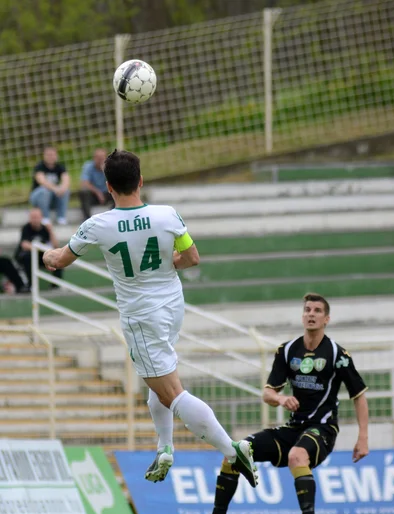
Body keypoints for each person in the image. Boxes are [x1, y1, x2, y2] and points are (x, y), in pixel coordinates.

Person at [42, 150, 257, 486]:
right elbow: (192, 257)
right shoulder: (167, 215)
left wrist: (47, 253)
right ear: (141, 181)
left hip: (141, 316)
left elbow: (60, 260)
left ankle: (232, 449)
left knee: (171, 391)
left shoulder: (97, 224)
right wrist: (165, 264)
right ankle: (165, 446)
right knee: (156, 380)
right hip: (172, 307)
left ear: (109, 187)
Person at [181, 293, 369, 514]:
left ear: (327, 319)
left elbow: (359, 395)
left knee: (297, 456)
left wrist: (363, 439)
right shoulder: (288, 350)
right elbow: (268, 393)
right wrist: (281, 399)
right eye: (307, 310)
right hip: (294, 428)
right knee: (236, 451)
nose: (311, 314)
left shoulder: (337, 354)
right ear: (303, 316)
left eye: (317, 310)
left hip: (323, 429)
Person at [15, 208, 63, 288]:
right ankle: (31, 285)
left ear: (41, 218)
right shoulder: (26, 228)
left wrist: (51, 230)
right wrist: (40, 248)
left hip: (41, 257)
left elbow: (55, 245)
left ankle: (56, 285)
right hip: (28, 257)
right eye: (33, 217)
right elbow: (24, 245)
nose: (35, 220)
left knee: (57, 257)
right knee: (28, 256)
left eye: (36, 217)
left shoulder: (45, 228)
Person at [29, 146, 70, 225]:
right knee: (44, 191)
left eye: (52, 155)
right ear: (44, 156)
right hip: (38, 197)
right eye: (48, 155)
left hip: (53, 197)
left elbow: (66, 179)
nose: (50, 157)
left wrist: (63, 188)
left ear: (56, 156)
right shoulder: (39, 166)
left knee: (65, 191)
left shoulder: (60, 167)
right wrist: (56, 189)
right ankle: (45, 218)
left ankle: (61, 217)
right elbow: (42, 181)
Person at [78, 148, 114, 220]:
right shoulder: (88, 166)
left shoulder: (110, 166)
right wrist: (98, 192)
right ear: (94, 158)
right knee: (83, 192)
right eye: (98, 158)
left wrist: (105, 171)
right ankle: (87, 219)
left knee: (118, 190)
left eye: (102, 158)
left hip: (108, 193)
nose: (100, 160)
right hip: (93, 195)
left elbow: (115, 182)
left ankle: (114, 215)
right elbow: (84, 183)